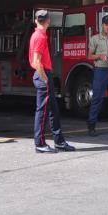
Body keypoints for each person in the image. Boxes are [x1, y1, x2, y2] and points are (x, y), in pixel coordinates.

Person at [30, 9, 75, 154]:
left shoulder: (37, 34)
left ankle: (59, 141)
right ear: (48, 20)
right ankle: (40, 143)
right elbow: (37, 61)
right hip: (43, 74)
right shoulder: (40, 37)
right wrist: (44, 78)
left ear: (36, 20)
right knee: (43, 111)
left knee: (53, 110)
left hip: (43, 73)